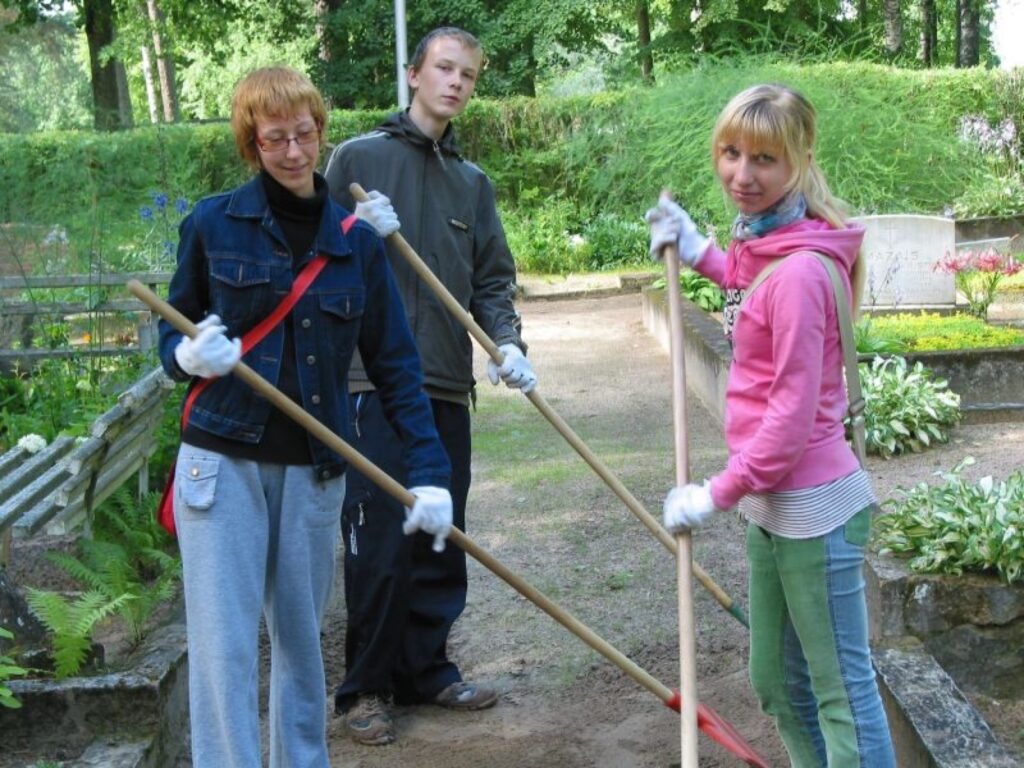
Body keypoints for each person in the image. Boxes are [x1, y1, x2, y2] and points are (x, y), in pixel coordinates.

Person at [158, 66, 453, 768]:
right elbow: (168, 341)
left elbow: (397, 367)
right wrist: (189, 356)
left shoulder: (354, 241)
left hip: (315, 470)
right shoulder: (209, 223)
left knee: (300, 645)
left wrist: (431, 473)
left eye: (304, 135)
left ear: (321, 131)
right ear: (250, 145)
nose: (293, 153)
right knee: (224, 647)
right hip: (220, 461)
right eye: (273, 140)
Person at [646, 83, 896, 767]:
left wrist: (714, 493)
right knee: (778, 685)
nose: (742, 174)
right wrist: (699, 250)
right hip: (772, 508)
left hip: (814, 510)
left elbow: (787, 425)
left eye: (764, 159)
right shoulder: (772, 244)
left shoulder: (803, 273)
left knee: (841, 692)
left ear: (800, 159)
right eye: (730, 153)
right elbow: (749, 283)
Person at [323, 27, 536, 746]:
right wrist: (354, 226)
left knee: (443, 534)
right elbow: (312, 252)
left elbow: (492, 279)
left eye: (468, 75)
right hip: (370, 381)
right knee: (380, 537)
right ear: (415, 74)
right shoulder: (356, 157)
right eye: (444, 68)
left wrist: (506, 342)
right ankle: (366, 688)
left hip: (445, 380)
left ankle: (427, 668)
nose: (455, 83)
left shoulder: (470, 184)